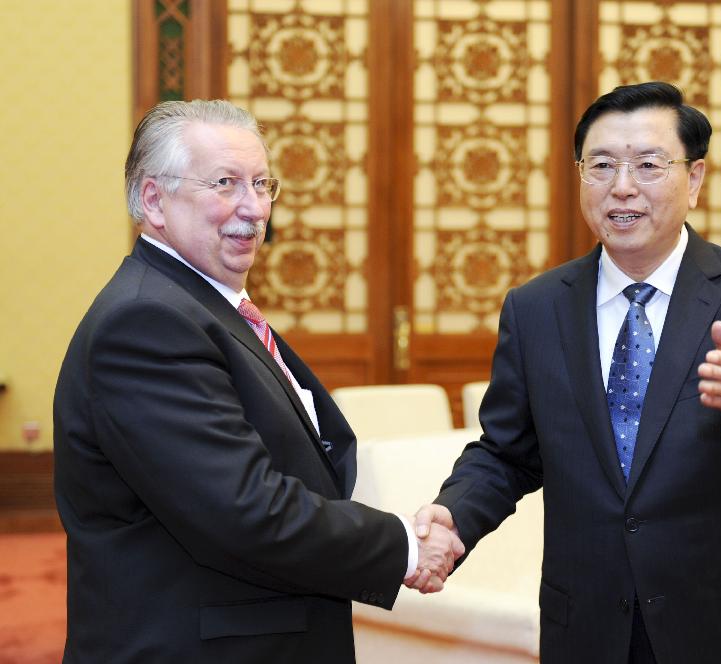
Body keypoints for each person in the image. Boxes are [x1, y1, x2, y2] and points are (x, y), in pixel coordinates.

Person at [409, 82, 721, 663]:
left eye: (648, 164)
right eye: (603, 165)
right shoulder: (536, 308)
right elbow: (507, 451)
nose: (623, 186)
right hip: (590, 627)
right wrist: (454, 517)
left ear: (693, 180)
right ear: (580, 177)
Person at [53, 99, 463, 663]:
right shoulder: (148, 322)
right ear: (154, 200)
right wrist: (404, 547)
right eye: (224, 183)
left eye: (262, 183)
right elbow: (245, 509)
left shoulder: (204, 306)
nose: (253, 207)